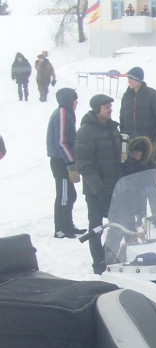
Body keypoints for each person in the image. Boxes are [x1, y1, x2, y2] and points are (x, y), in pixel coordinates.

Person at [75, 94, 124, 274]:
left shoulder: (112, 128)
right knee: (95, 227)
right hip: (96, 190)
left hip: (115, 188)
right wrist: (99, 188)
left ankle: (109, 255)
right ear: (97, 109)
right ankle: (98, 263)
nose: (110, 109)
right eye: (106, 107)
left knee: (118, 225)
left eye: (110, 105)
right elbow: (84, 164)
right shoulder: (86, 131)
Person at [46, 87, 84, 238]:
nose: (76, 102)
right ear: (69, 100)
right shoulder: (62, 114)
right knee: (63, 196)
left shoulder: (67, 113)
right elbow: (61, 143)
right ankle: (60, 229)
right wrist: (71, 164)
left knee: (70, 195)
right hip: (61, 162)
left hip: (65, 161)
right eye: (75, 99)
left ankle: (68, 225)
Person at [119, 66, 156, 145]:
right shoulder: (126, 96)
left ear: (138, 79)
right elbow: (122, 117)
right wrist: (123, 135)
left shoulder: (153, 95)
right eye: (128, 79)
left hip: (148, 141)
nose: (129, 81)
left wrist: (155, 137)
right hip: (129, 140)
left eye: (131, 79)